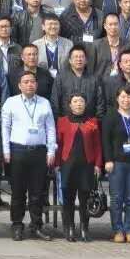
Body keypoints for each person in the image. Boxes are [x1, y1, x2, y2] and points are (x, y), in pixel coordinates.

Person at [1, 69, 56, 241]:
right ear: (19, 85)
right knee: (18, 192)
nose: (29, 85)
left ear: (36, 84)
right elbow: (5, 128)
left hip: (39, 152)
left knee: (37, 192)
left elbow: (50, 128)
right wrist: (6, 150)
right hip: (17, 151)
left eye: (32, 81)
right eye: (26, 82)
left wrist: (51, 150)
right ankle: (17, 225)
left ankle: (36, 226)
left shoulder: (44, 103)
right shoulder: (11, 102)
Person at [56, 92, 102, 242]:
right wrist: (57, 164)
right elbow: (58, 144)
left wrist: (98, 164)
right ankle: (69, 228)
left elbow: (97, 145)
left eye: (81, 101)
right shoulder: (62, 121)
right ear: (70, 105)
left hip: (86, 166)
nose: (78, 104)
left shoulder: (92, 121)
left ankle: (84, 228)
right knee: (68, 199)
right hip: (67, 166)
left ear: (85, 104)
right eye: (75, 101)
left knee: (85, 199)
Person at [102, 84, 130, 243]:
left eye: (129, 97)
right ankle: (118, 230)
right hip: (117, 163)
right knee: (117, 198)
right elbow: (106, 140)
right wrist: (108, 160)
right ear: (117, 99)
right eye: (123, 97)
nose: (126, 100)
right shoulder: (110, 116)